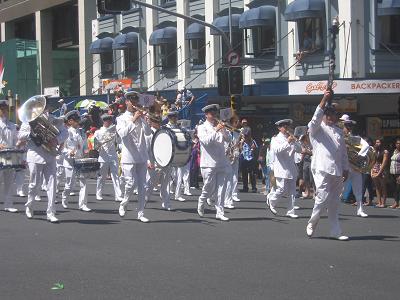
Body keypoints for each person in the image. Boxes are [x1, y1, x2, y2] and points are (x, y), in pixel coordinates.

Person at [306, 90, 350, 241]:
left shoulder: (339, 131)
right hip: (322, 167)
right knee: (322, 198)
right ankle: (313, 222)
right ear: (324, 115)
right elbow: (314, 120)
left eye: (334, 114)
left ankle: (335, 231)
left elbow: (343, 152)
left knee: (334, 202)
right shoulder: (317, 129)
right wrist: (324, 99)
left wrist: (346, 168)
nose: (331, 117)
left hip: (337, 170)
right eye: (328, 114)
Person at [19, 96, 68, 223]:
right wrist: (31, 131)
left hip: (50, 155)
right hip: (35, 154)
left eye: (45, 107)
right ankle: (29, 206)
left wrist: (56, 140)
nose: (44, 109)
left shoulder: (54, 120)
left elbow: (65, 132)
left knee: (52, 184)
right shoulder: (29, 121)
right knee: (34, 184)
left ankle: (51, 212)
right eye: (41, 107)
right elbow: (20, 136)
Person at [116, 91, 152, 222]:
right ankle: (124, 203)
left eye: (136, 101)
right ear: (126, 102)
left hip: (142, 155)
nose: (134, 103)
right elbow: (123, 134)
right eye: (132, 101)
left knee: (143, 186)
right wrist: (134, 119)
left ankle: (141, 213)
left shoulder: (141, 117)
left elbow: (148, 133)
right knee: (130, 184)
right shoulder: (120, 118)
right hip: (129, 156)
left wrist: (146, 121)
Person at [197, 104, 231, 221]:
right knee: (209, 187)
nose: (214, 116)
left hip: (221, 161)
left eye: (215, 113)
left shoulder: (219, 126)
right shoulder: (202, 127)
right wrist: (216, 130)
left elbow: (228, 139)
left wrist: (224, 130)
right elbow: (205, 141)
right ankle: (202, 200)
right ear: (206, 115)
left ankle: (220, 212)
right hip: (208, 163)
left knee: (221, 188)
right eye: (211, 114)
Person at [266, 119, 301, 219]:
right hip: (281, 167)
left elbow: (299, 149)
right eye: (284, 127)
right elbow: (276, 150)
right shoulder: (276, 139)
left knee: (292, 191)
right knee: (281, 189)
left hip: (291, 167)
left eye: (287, 127)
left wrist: (295, 141)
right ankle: (271, 200)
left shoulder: (290, 137)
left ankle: (290, 211)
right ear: (279, 128)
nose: (286, 129)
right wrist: (287, 143)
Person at [61, 110, 92, 212]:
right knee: (70, 185)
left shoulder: (81, 131)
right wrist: (69, 152)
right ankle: (64, 197)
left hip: (80, 160)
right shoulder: (66, 132)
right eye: (76, 120)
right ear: (70, 121)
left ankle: (83, 204)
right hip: (70, 162)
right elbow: (62, 147)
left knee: (84, 183)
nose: (78, 121)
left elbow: (84, 145)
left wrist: (86, 150)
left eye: (78, 119)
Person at [340, 114, 369, 217]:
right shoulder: (338, 136)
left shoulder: (355, 138)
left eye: (350, 127)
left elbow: (366, 145)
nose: (348, 128)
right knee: (338, 188)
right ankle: (330, 207)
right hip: (343, 167)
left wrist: (359, 155)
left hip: (355, 167)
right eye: (347, 126)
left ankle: (360, 209)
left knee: (358, 188)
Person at [94, 114, 123, 202]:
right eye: (107, 121)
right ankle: (98, 193)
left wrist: (117, 135)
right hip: (103, 156)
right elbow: (95, 146)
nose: (109, 122)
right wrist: (101, 142)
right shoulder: (98, 132)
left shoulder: (114, 131)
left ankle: (118, 195)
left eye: (110, 121)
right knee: (101, 177)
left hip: (113, 155)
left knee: (115, 176)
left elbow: (118, 142)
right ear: (103, 121)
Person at [0, 100, 20, 212]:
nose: (4, 111)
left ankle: (8, 204)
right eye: (2, 109)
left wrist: (18, 144)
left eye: (5, 109)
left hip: (10, 155)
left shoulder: (12, 125)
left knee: (9, 180)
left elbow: (15, 141)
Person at [225, 115, 241, 208]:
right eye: (235, 122)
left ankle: (232, 196)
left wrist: (237, 151)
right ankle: (227, 200)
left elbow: (237, 144)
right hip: (226, 157)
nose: (237, 124)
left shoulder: (237, 133)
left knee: (234, 178)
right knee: (227, 179)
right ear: (231, 123)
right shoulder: (226, 131)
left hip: (235, 156)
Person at [371, 139, 390, 208]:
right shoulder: (376, 151)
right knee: (377, 186)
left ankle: (383, 203)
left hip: (382, 169)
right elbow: (373, 161)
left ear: (382, 143)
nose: (377, 143)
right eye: (376, 142)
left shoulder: (385, 151)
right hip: (376, 168)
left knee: (383, 186)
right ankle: (379, 202)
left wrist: (379, 172)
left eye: (378, 142)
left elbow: (384, 163)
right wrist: (371, 170)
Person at [240, 128, 258, 193]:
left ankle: (254, 188)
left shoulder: (253, 141)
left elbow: (256, 149)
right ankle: (245, 187)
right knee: (244, 174)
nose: (246, 137)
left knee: (252, 174)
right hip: (244, 159)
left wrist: (253, 147)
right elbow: (239, 149)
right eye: (245, 135)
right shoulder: (242, 141)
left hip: (251, 159)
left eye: (247, 135)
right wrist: (241, 143)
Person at [389, 138, 400, 209]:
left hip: (399, 173)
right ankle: (396, 202)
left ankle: (398, 203)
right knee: (394, 188)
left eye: (399, 143)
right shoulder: (394, 151)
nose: (398, 145)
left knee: (398, 188)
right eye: (397, 143)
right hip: (392, 173)